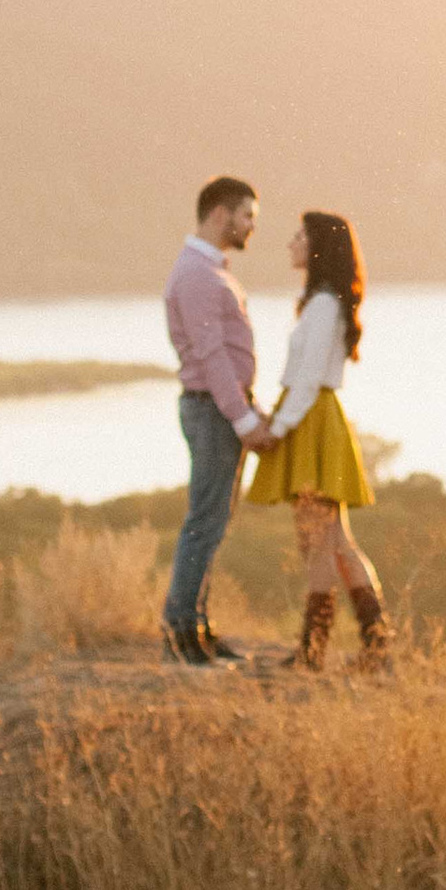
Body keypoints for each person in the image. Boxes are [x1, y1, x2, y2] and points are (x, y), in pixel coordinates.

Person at [246, 206, 392, 671]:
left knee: (318, 542)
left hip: (311, 420)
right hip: (313, 418)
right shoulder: (324, 302)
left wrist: (277, 426)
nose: (290, 243)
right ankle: (375, 646)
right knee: (336, 540)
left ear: (317, 246)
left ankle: (314, 651)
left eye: (298, 236)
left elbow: (307, 380)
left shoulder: (325, 304)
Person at [162, 175, 277, 665]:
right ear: (219, 214)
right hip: (212, 410)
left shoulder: (210, 272)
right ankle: (180, 637)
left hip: (220, 407)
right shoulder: (197, 276)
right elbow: (211, 357)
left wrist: (249, 408)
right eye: (246, 215)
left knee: (213, 520)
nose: (251, 225)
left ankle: (198, 629)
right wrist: (244, 419)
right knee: (204, 522)